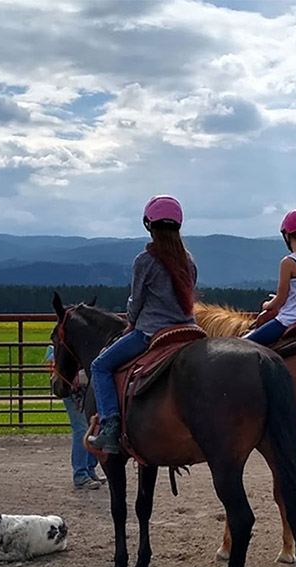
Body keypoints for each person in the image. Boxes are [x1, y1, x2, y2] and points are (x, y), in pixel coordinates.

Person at [88, 195, 198, 453]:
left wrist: (131, 323)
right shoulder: (189, 261)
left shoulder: (144, 261)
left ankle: (110, 427)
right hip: (189, 330)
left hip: (151, 332)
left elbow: (136, 302)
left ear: (149, 225)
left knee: (100, 366)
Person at [244, 209, 296, 347]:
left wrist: (267, 305)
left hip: (292, 319)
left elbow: (280, 299)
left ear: (287, 235)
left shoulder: (288, 262)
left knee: (244, 345)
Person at [45, 344, 105, 490]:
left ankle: (87, 471)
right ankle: (81, 474)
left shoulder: (65, 342)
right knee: (82, 429)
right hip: (75, 389)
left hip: (78, 389)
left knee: (89, 428)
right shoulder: (69, 343)